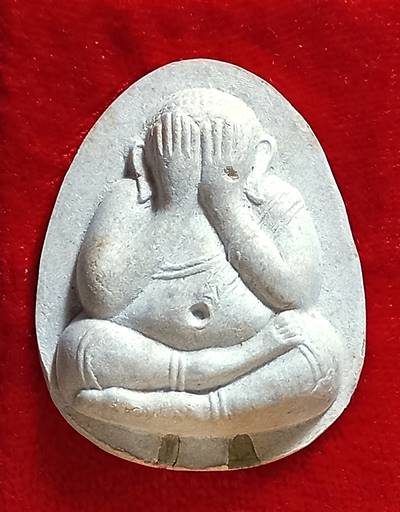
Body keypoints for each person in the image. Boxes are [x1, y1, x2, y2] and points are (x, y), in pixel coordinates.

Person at [56, 88, 343, 437]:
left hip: (253, 361)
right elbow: (101, 299)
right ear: (143, 160)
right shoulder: (130, 199)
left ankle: (204, 412)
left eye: (221, 151)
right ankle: (197, 389)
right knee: (79, 346)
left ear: (259, 159)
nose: (200, 165)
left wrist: (225, 204)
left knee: (320, 349)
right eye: (184, 151)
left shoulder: (276, 201)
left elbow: (297, 296)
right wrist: (173, 206)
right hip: (150, 359)